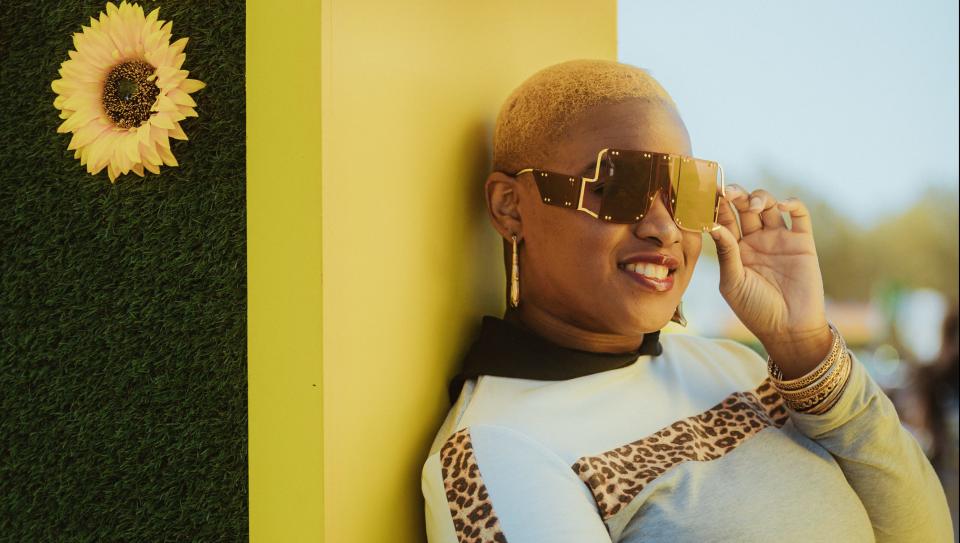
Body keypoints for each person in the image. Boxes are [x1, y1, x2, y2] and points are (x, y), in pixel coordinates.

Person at [420, 59, 953, 542]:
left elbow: (922, 532)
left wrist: (806, 347)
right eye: (617, 186)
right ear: (510, 207)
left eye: (684, 191)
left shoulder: (740, 370)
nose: (663, 228)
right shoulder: (500, 451)